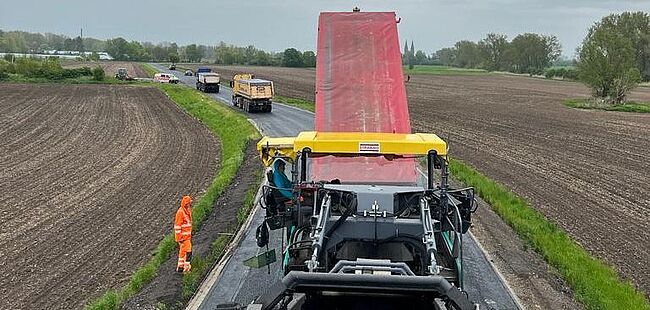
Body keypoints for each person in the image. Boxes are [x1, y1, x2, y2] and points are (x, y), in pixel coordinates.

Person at [174, 195, 193, 273]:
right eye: (189, 203)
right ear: (186, 204)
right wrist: (179, 238)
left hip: (186, 237)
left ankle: (180, 268)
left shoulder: (186, 210)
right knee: (189, 251)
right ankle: (186, 269)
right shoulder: (180, 212)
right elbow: (177, 227)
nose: (190, 204)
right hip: (183, 238)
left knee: (182, 253)